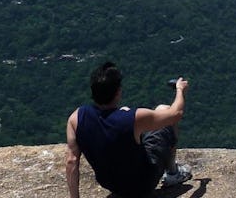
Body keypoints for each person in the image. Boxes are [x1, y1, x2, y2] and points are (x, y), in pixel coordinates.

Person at [65, 62, 192, 198]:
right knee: (163, 109)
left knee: (126, 115)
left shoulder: (76, 118)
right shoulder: (132, 119)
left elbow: (71, 161)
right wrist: (180, 89)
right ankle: (173, 174)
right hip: (143, 184)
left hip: (110, 183)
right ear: (118, 92)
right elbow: (176, 113)